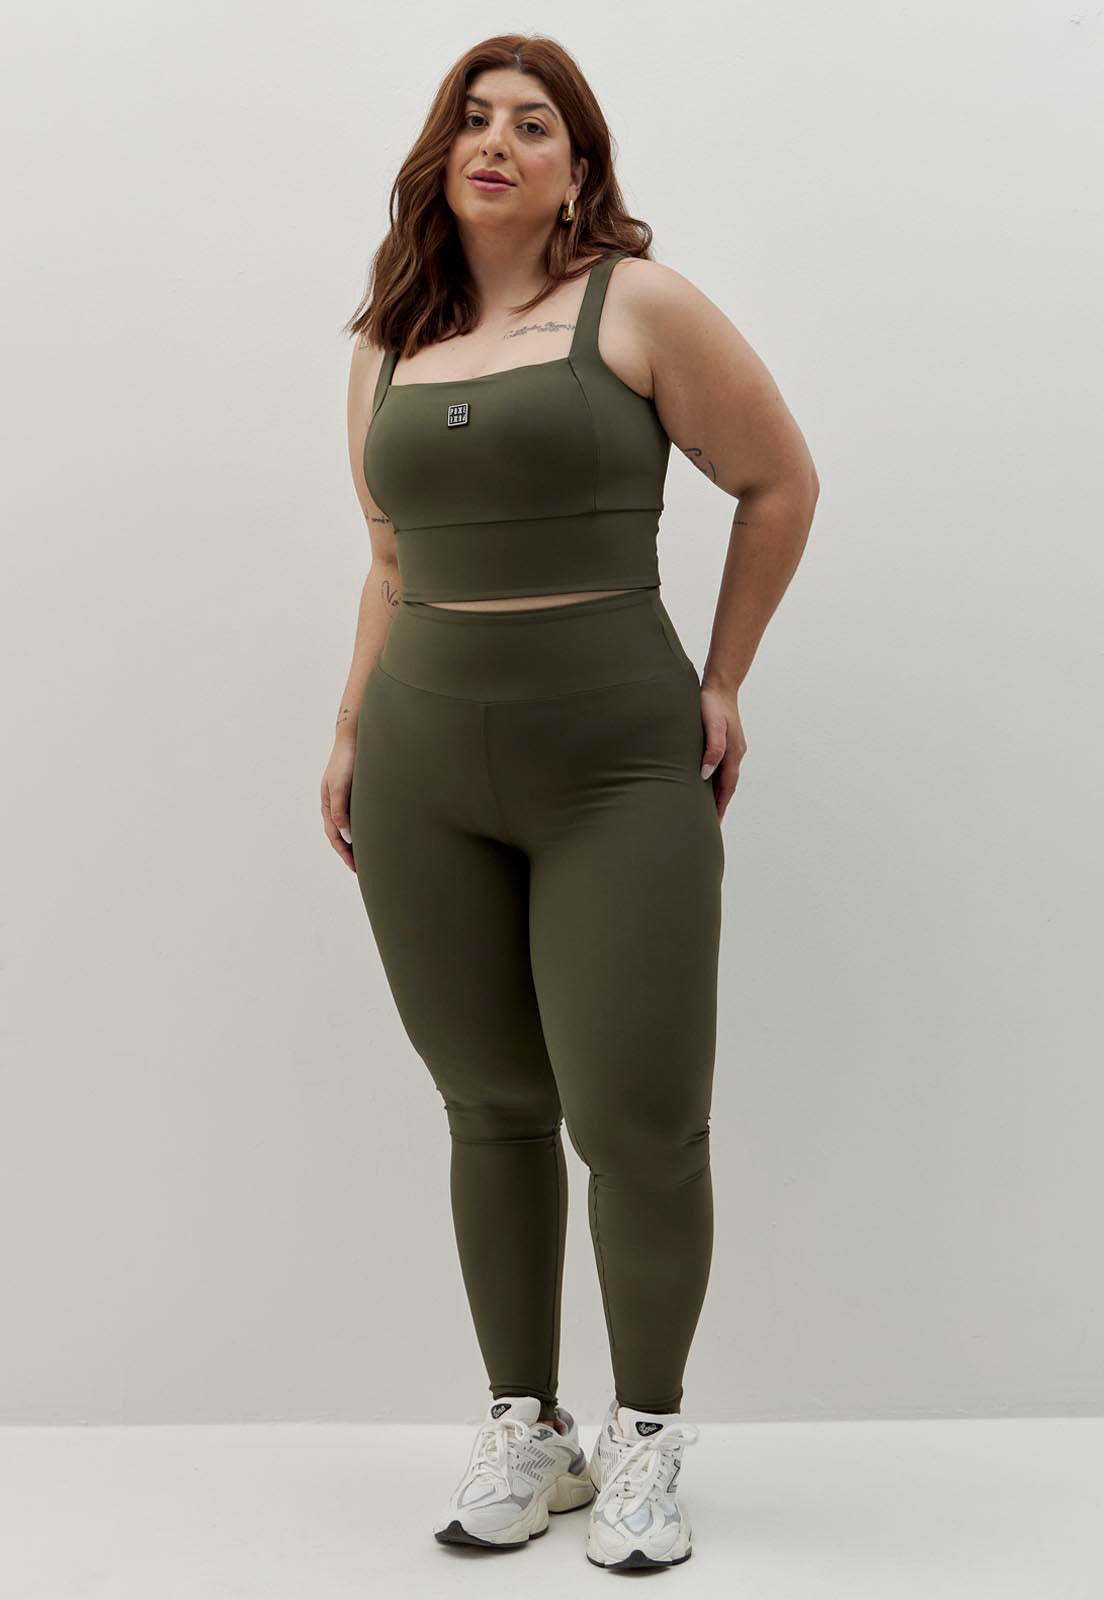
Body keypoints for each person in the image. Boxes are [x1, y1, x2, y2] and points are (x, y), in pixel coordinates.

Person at [323, 36, 819, 1572]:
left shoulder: (638, 306)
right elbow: (389, 559)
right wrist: (346, 732)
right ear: (441, 153)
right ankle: (527, 1427)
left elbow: (781, 481)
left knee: (639, 1121)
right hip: (423, 770)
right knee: (488, 1104)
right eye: (473, 118)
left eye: (533, 123)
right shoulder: (389, 345)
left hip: (616, 768)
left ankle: (646, 1439)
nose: (498, 140)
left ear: (577, 167)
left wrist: (723, 680)